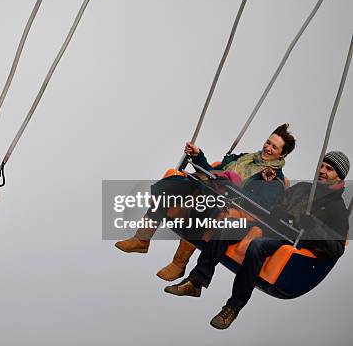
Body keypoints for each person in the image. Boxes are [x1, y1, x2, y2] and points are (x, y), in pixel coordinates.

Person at [164, 151, 350, 330]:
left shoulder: (337, 209)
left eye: (329, 169)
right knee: (228, 226)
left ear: (340, 177)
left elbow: (336, 248)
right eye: (322, 166)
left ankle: (232, 307)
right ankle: (196, 281)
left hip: (289, 241)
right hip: (270, 227)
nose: (323, 171)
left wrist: (312, 227)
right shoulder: (302, 188)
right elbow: (278, 205)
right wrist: (279, 213)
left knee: (257, 247)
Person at [115, 124, 296, 281]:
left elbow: (261, 205)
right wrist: (197, 156)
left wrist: (233, 188)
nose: (268, 148)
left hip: (229, 201)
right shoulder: (243, 158)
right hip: (210, 186)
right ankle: (142, 239)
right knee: (169, 186)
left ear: (283, 154)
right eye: (268, 142)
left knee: (203, 204)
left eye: (274, 147)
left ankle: (179, 264)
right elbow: (212, 171)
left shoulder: (274, 180)